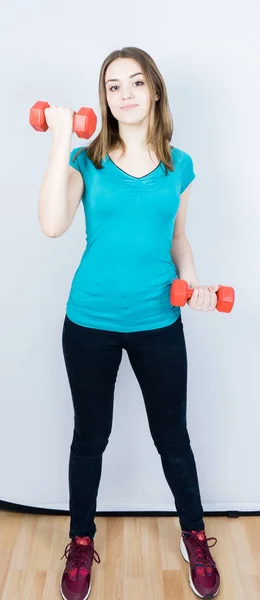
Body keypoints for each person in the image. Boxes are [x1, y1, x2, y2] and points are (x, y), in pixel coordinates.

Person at [38, 47, 220, 600]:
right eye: (113, 86)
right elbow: (51, 225)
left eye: (135, 82)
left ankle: (194, 535)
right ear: (105, 100)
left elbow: (178, 238)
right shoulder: (86, 160)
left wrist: (194, 285)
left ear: (155, 91)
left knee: (173, 437)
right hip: (89, 320)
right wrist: (59, 139)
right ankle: (81, 543)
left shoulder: (178, 165)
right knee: (91, 436)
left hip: (158, 320)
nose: (125, 94)